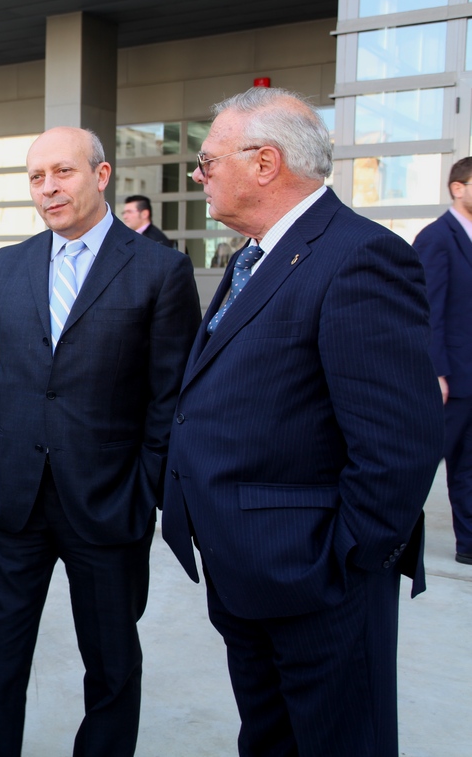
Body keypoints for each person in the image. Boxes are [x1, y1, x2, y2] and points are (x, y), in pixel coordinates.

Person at [162, 87, 443, 756]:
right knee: (271, 740)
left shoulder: (358, 256)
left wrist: (342, 560)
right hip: (248, 573)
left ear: (265, 162)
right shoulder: (252, 256)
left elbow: (399, 441)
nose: (198, 176)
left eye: (206, 161)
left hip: (317, 582)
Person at [0, 128, 200, 756]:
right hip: (11, 500)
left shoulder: (160, 269)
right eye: (36, 177)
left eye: (62, 172)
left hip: (107, 505)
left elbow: (171, 399)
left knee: (112, 668)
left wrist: (143, 488)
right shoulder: (9, 265)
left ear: (102, 174)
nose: (48, 188)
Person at [414, 157, 472, 565]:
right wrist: (435, 372)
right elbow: (427, 309)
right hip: (449, 378)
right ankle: (387, 535)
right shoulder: (437, 238)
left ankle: (468, 544)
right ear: (458, 188)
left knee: (469, 467)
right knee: (420, 465)